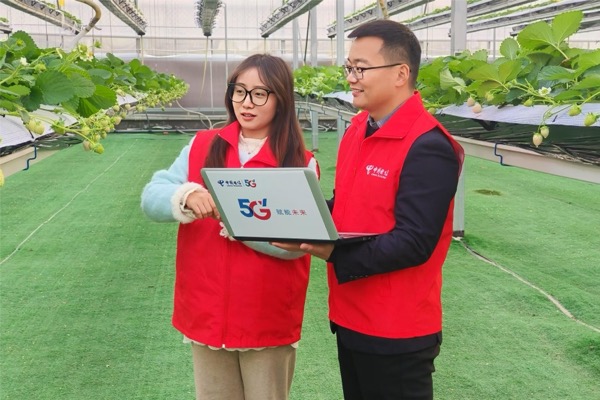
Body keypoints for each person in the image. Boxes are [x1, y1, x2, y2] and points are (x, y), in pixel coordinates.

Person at [272, 20, 464, 400]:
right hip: (351, 317)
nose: (351, 78)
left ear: (401, 74)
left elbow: (414, 242)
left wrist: (331, 251)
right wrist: (294, 213)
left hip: (397, 331)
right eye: (349, 67)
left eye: (360, 68)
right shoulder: (358, 129)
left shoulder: (428, 146)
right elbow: (346, 204)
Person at [140, 54, 318, 400]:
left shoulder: (300, 163)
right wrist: (186, 195)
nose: (246, 103)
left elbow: (297, 245)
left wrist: (234, 217)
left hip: (266, 315)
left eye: (260, 94)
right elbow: (151, 197)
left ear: (281, 98)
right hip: (205, 308)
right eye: (239, 91)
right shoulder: (201, 145)